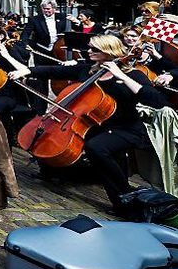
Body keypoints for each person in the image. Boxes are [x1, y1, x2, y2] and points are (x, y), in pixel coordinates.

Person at [9, 34, 168, 212]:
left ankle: (125, 194)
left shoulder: (134, 74)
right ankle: (112, 195)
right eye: (90, 48)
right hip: (96, 126)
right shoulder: (88, 70)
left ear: (108, 52)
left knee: (96, 147)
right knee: (55, 139)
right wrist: (28, 71)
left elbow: (156, 100)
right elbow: (54, 71)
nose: (89, 51)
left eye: (94, 49)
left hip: (126, 128)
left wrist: (120, 75)